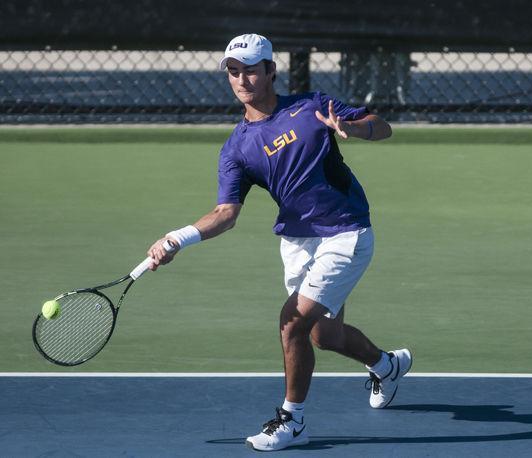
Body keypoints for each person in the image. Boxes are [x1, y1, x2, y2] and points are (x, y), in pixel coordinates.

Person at [146, 33, 412, 452]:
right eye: (234, 71)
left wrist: (353, 127)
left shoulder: (311, 106)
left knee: (292, 322)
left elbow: (384, 127)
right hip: (297, 241)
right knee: (325, 336)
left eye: (251, 69)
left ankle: (293, 421)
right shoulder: (236, 147)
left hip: (345, 232)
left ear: (271, 70)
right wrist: (177, 238)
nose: (242, 79)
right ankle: (387, 364)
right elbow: (225, 214)